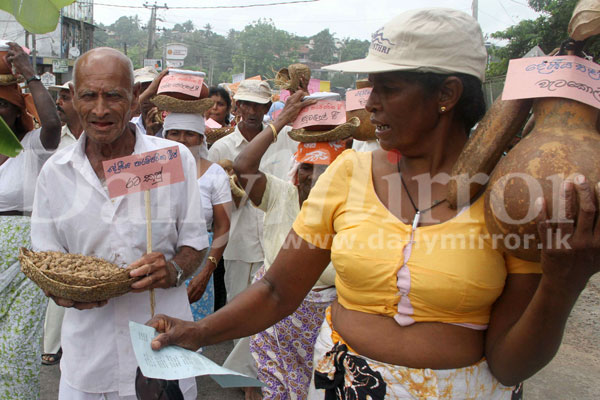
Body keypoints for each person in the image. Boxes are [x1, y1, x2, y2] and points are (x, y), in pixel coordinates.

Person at [149, 8, 600, 399]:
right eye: (370, 89)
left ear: (446, 94)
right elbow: (277, 290)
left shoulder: (508, 192)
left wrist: (563, 284)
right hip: (340, 385)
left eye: (389, 89)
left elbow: (510, 364)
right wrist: (199, 332)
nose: (372, 105)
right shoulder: (348, 174)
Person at [31, 47, 208, 400]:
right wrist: (64, 291)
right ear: (74, 101)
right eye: (89, 96)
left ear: (133, 103)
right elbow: (47, 260)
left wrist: (173, 269)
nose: (100, 109)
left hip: (162, 350)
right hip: (89, 362)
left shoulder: (172, 160)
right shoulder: (55, 173)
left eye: (113, 96)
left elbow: (196, 244)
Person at [233, 89, 339, 399]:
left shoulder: (349, 209)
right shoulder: (280, 194)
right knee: (274, 388)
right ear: (296, 171)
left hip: (325, 327)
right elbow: (243, 166)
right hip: (273, 320)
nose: (315, 179)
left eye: (326, 170)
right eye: (307, 168)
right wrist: (280, 122)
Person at [207, 79, 298, 398]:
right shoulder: (220, 148)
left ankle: (255, 380)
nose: (251, 111)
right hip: (240, 243)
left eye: (258, 105)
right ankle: (247, 379)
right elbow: (215, 205)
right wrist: (231, 190)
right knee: (240, 313)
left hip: (277, 242)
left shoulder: (285, 139)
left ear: (265, 108)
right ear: (237, 108)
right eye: (245, 104)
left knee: (270, 315)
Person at [0, 42, 61, 399]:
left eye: (3, 104)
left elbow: (52, 122)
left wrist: (30, 75)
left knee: (15, 348)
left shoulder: (32, 147)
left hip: (22, 261)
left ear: (15, 110)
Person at [162, 112, 232, 321]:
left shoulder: (215, 174)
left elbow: (222, 227)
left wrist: (206, 272)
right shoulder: (151, 172)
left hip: (198, 265)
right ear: (165, 136)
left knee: (191, 335)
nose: (182, 140)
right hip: (158, 264)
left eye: (190, 134)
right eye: (174, 133)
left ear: (201, 139)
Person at [40, 80, 83, 366]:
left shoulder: (110, 139)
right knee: (60, 283)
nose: (60, 103)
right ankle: (52, 345)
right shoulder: (55, 138)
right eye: (59, 97)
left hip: (92, 221)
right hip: (59, 219)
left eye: (66, 97)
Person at [132, 66, 163, 137]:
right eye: (141, 92)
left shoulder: (171, 127)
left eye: (152, 93)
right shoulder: (130, 126)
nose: (147, 99)